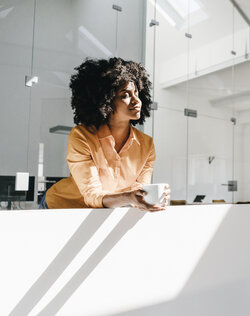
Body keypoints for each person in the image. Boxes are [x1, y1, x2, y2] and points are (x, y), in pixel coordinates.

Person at [40, 57, 169, 211]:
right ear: (105, 101)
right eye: (125, 95)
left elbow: (138, 191)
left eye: (136, 93)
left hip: (103, 212)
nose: (137, 101)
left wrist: (146, 197)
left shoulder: (146, 145)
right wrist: (129, 197)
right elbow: (92, 195)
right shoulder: (82, 136)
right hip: (61, 206)